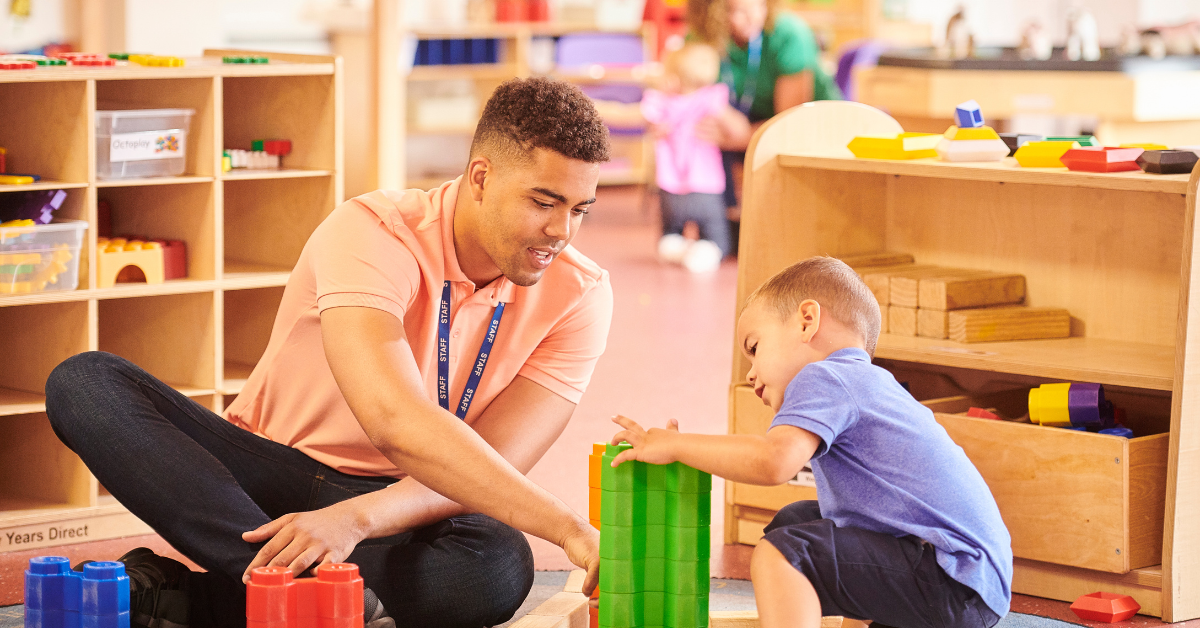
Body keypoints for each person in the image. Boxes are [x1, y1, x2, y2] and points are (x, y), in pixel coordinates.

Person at [45, 77, 614, 628]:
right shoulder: (374, 231)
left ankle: (216, 598)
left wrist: (357, 518)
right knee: (86, 383)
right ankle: (314, 592)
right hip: (267, 478)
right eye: (543, 202)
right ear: (481, 177)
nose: (562, 231)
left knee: (496, 565)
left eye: (580, 209)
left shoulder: (581, 294)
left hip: (400, 502)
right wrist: (567, 529)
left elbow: (497, 463)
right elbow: (392, 419)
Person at [606, 257, 1012, 628]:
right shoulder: (864, 383)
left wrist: (676, 446)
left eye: (754, 348)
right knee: (797, 521)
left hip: (951, 577)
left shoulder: (827, 376)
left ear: (806, 321)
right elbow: (863, 537)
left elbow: (773, 461)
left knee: (781, 555)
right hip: (966, 585)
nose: (750, 373)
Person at [687, 0, 843, 253]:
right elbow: (690, 96)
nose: (738, 20)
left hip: (807, 129)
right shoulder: (701, 36)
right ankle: (719, 227)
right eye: (728, 10)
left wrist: (743, 136)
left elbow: (790, 122)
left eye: (747, 9)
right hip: (741, 126)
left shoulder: (790, 35)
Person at [641, 43, 749, 273]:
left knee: (670, 232)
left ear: (673, 78)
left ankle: (674, 247)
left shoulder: (662, 104)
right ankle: (706, 251)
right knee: (718, 238)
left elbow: (649, 122)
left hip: (670, 186)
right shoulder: (710, 100)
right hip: (706, 186)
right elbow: (738, 129)